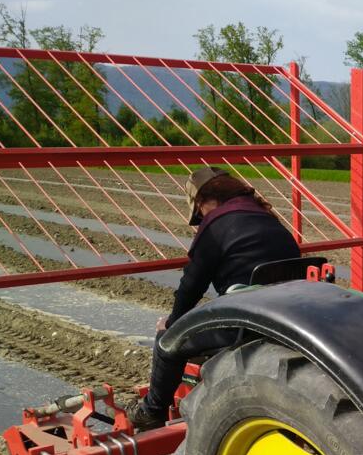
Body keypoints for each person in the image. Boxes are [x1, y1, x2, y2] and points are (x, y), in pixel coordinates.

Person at [127, 167, 300, 430]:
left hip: (243, 325)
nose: (201, 218)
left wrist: (172, 323)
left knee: (168, 341)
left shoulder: (217, 225)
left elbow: (192, 286)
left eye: (199, 212)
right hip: (284, 317)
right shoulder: (268, 218)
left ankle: (152, 410)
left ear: (205, 201)